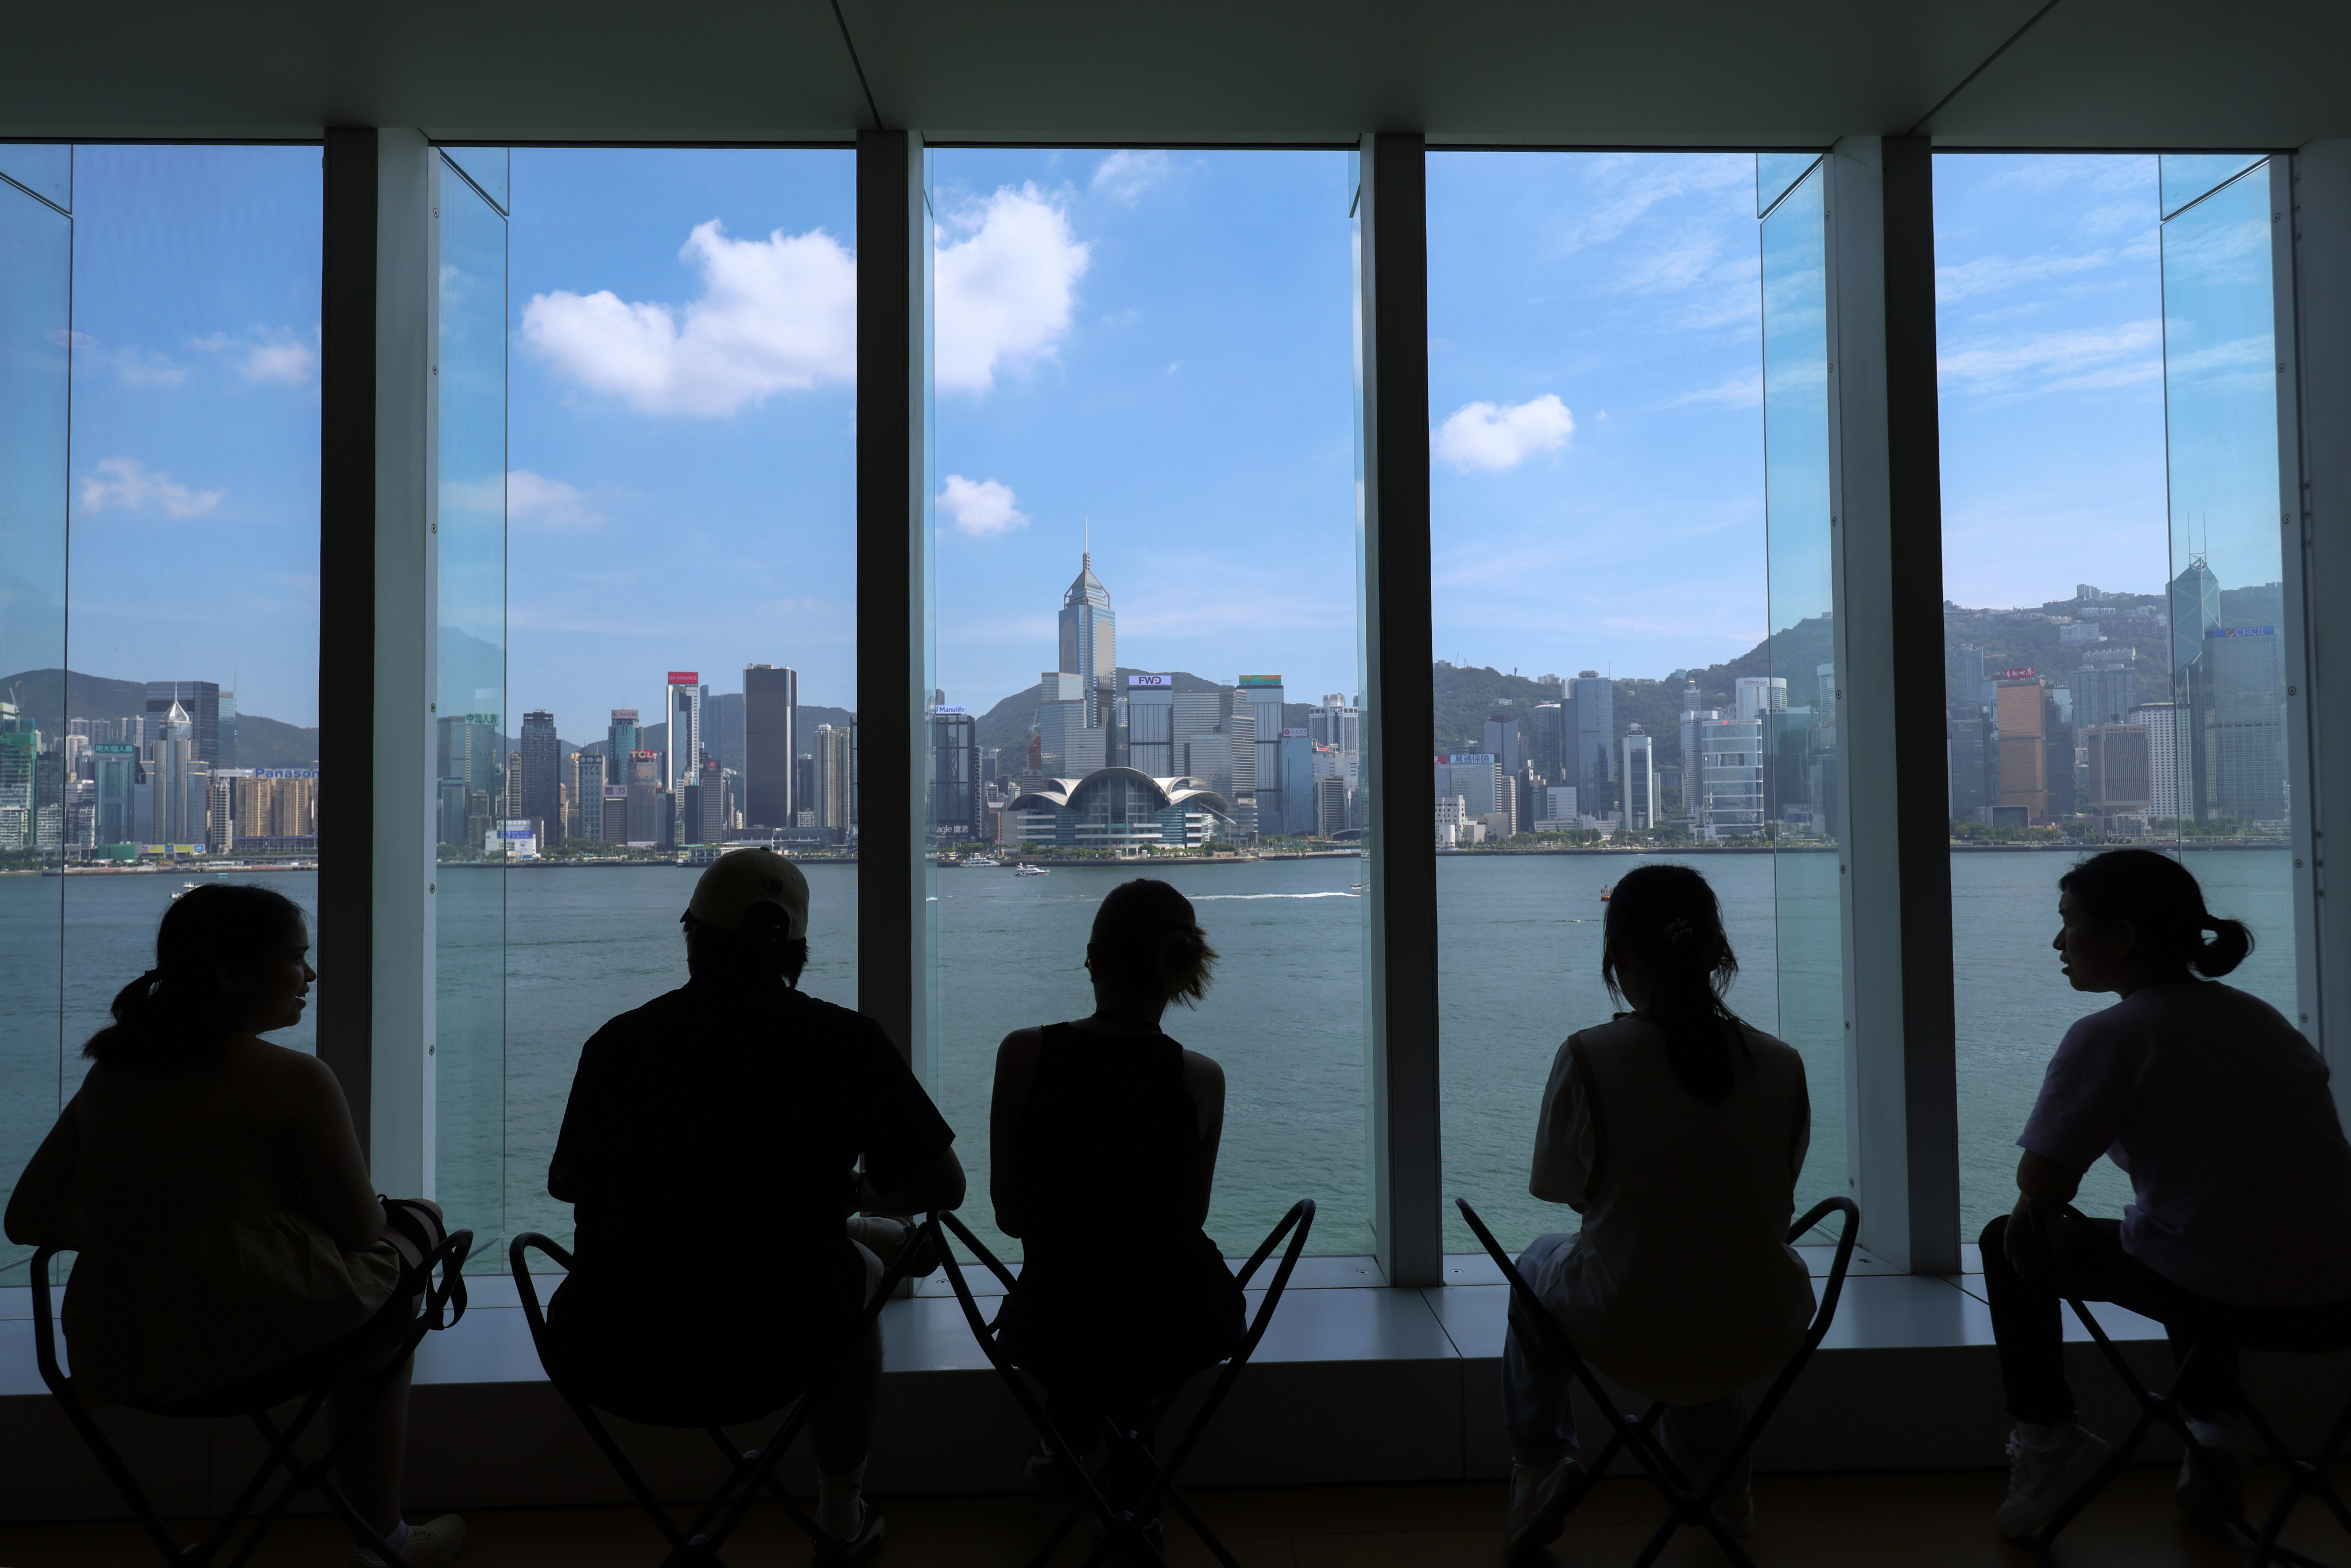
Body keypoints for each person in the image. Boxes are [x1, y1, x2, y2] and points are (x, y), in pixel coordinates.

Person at [3, 884, 463, 1568]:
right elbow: (363, 1228)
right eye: (296, 958)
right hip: (249, 1345)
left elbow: (28, 1217)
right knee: (418, 1234)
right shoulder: (294, 1078)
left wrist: (150, 1233)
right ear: (232, 973)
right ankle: (385, 1540)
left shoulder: (115, 1072)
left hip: (120, 1351)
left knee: (386, 1295)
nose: (309, 975)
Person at [546, 848, 964, 1561]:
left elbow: (569, 1184)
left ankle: (854, 1231)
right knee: (853, 1277)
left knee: (830, 1257)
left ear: (693, 936)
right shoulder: (845, 1042)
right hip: (780, 1344)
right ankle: (840, 1518)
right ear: (794, 950)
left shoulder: (617, 1044)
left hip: (614, 1345)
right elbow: (943, 1186)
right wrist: (850, 1188)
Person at [1982, 848, 2351, 1540]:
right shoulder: (2260, 1018)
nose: (2058, 942)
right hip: (2336, 1299)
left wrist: (2035, 1208)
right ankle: (2213, 1434)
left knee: (2013, 1238)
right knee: (2187, 1231)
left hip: (2230, 1297)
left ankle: (2046, 1443)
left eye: (2069, 923)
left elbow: (2044, 1182)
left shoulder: (2113, 1033)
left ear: (2122, 938)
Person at [1504, 863, 1815, 1558]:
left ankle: (1539, 1464)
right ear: (1717, 953)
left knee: (1538, 1263)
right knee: (1709, 1268)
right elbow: (1774, 1192)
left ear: (1616, 954)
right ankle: (1726, 1491)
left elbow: (1559, 1187)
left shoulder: (1590, 1054)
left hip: (1629, 1324)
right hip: (1766, 1319)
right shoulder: (1783, 1062)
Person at [989, 879, 1245, 1532]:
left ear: (1091, 959)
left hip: (1054, 1314)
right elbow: (1191, 1217)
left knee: (1090, 1312)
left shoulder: (1024, 1053)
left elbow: (1012, 1217)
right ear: (1178, 968)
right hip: (1183, 1313)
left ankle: (1071, 1439)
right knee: (1139, 1315)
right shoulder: (1201, 1076)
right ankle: (1129, 1491)